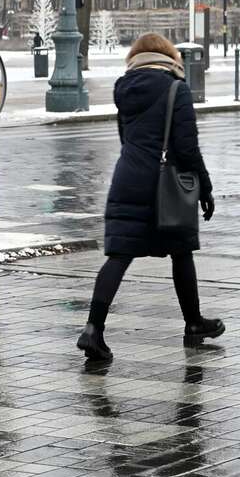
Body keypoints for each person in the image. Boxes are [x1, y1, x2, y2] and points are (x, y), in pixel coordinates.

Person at [77, 35, 219, 363]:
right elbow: (186, 147)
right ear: (170, 57)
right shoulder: (175, 89)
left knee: (118, 254)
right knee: (181, 250)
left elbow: (126, 137)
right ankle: (194, 323)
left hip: (127, 177)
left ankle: (92, 330)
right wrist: (205, 187)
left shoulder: (122, 88)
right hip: (164, 184)